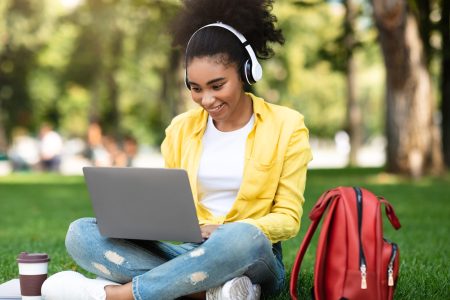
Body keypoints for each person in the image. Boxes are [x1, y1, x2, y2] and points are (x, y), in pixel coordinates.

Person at [41, 0, 312, 299]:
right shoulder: (180, 129)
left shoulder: (288, 126)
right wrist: (145, 221)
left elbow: (288, 219)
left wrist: (221, 231)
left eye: (217, 85)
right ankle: (213, 292)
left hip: (251, 254)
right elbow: (173, 205)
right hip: (191, 250)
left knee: (242, 236)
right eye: (195, 88)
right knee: (81, 234)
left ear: (247, 73)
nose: (207, 99)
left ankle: (115, 295)